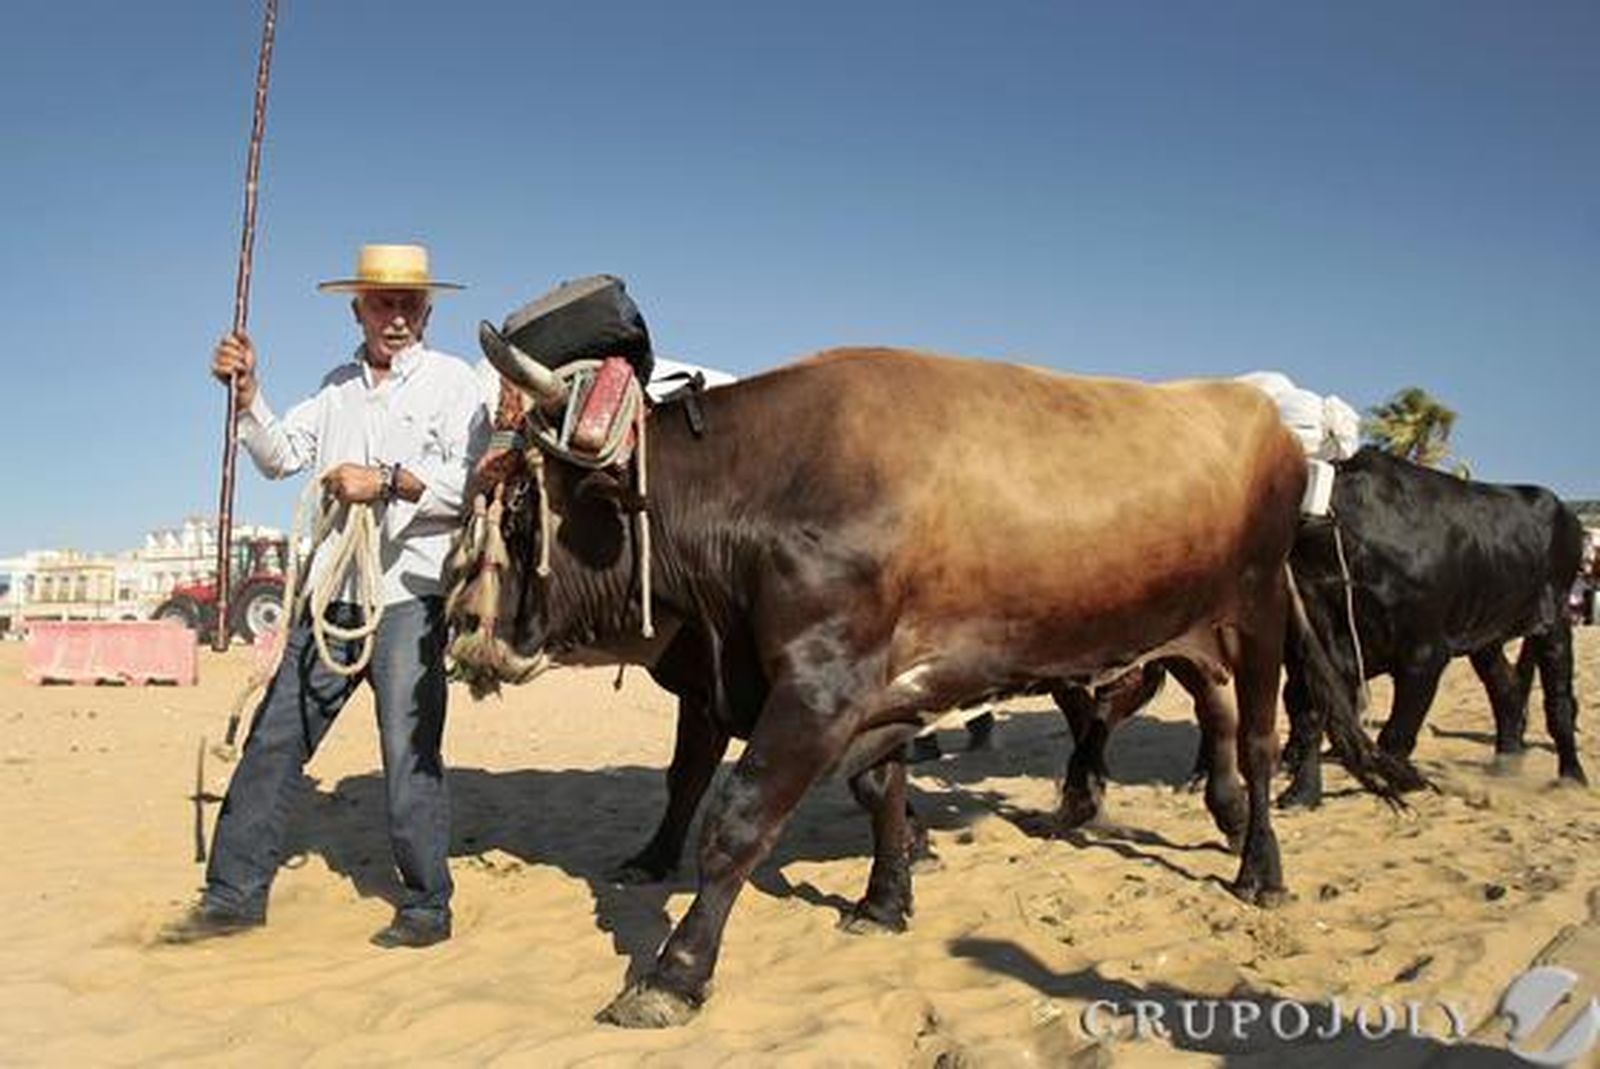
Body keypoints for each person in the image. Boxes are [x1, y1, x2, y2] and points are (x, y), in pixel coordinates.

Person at [163, 244, 488, 949]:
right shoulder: (336, 386)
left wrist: (391, 480)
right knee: (275, 740)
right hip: (329, 596)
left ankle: (427, 905)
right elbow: (280, 455)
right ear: (358, 309)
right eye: (382, 302)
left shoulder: (455, 384)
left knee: (409, 752)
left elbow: (473, 488)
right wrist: (249, 395)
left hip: (410, 597)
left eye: (407, 304)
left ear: (427, 310)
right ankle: (231, 895)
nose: (395, 317)